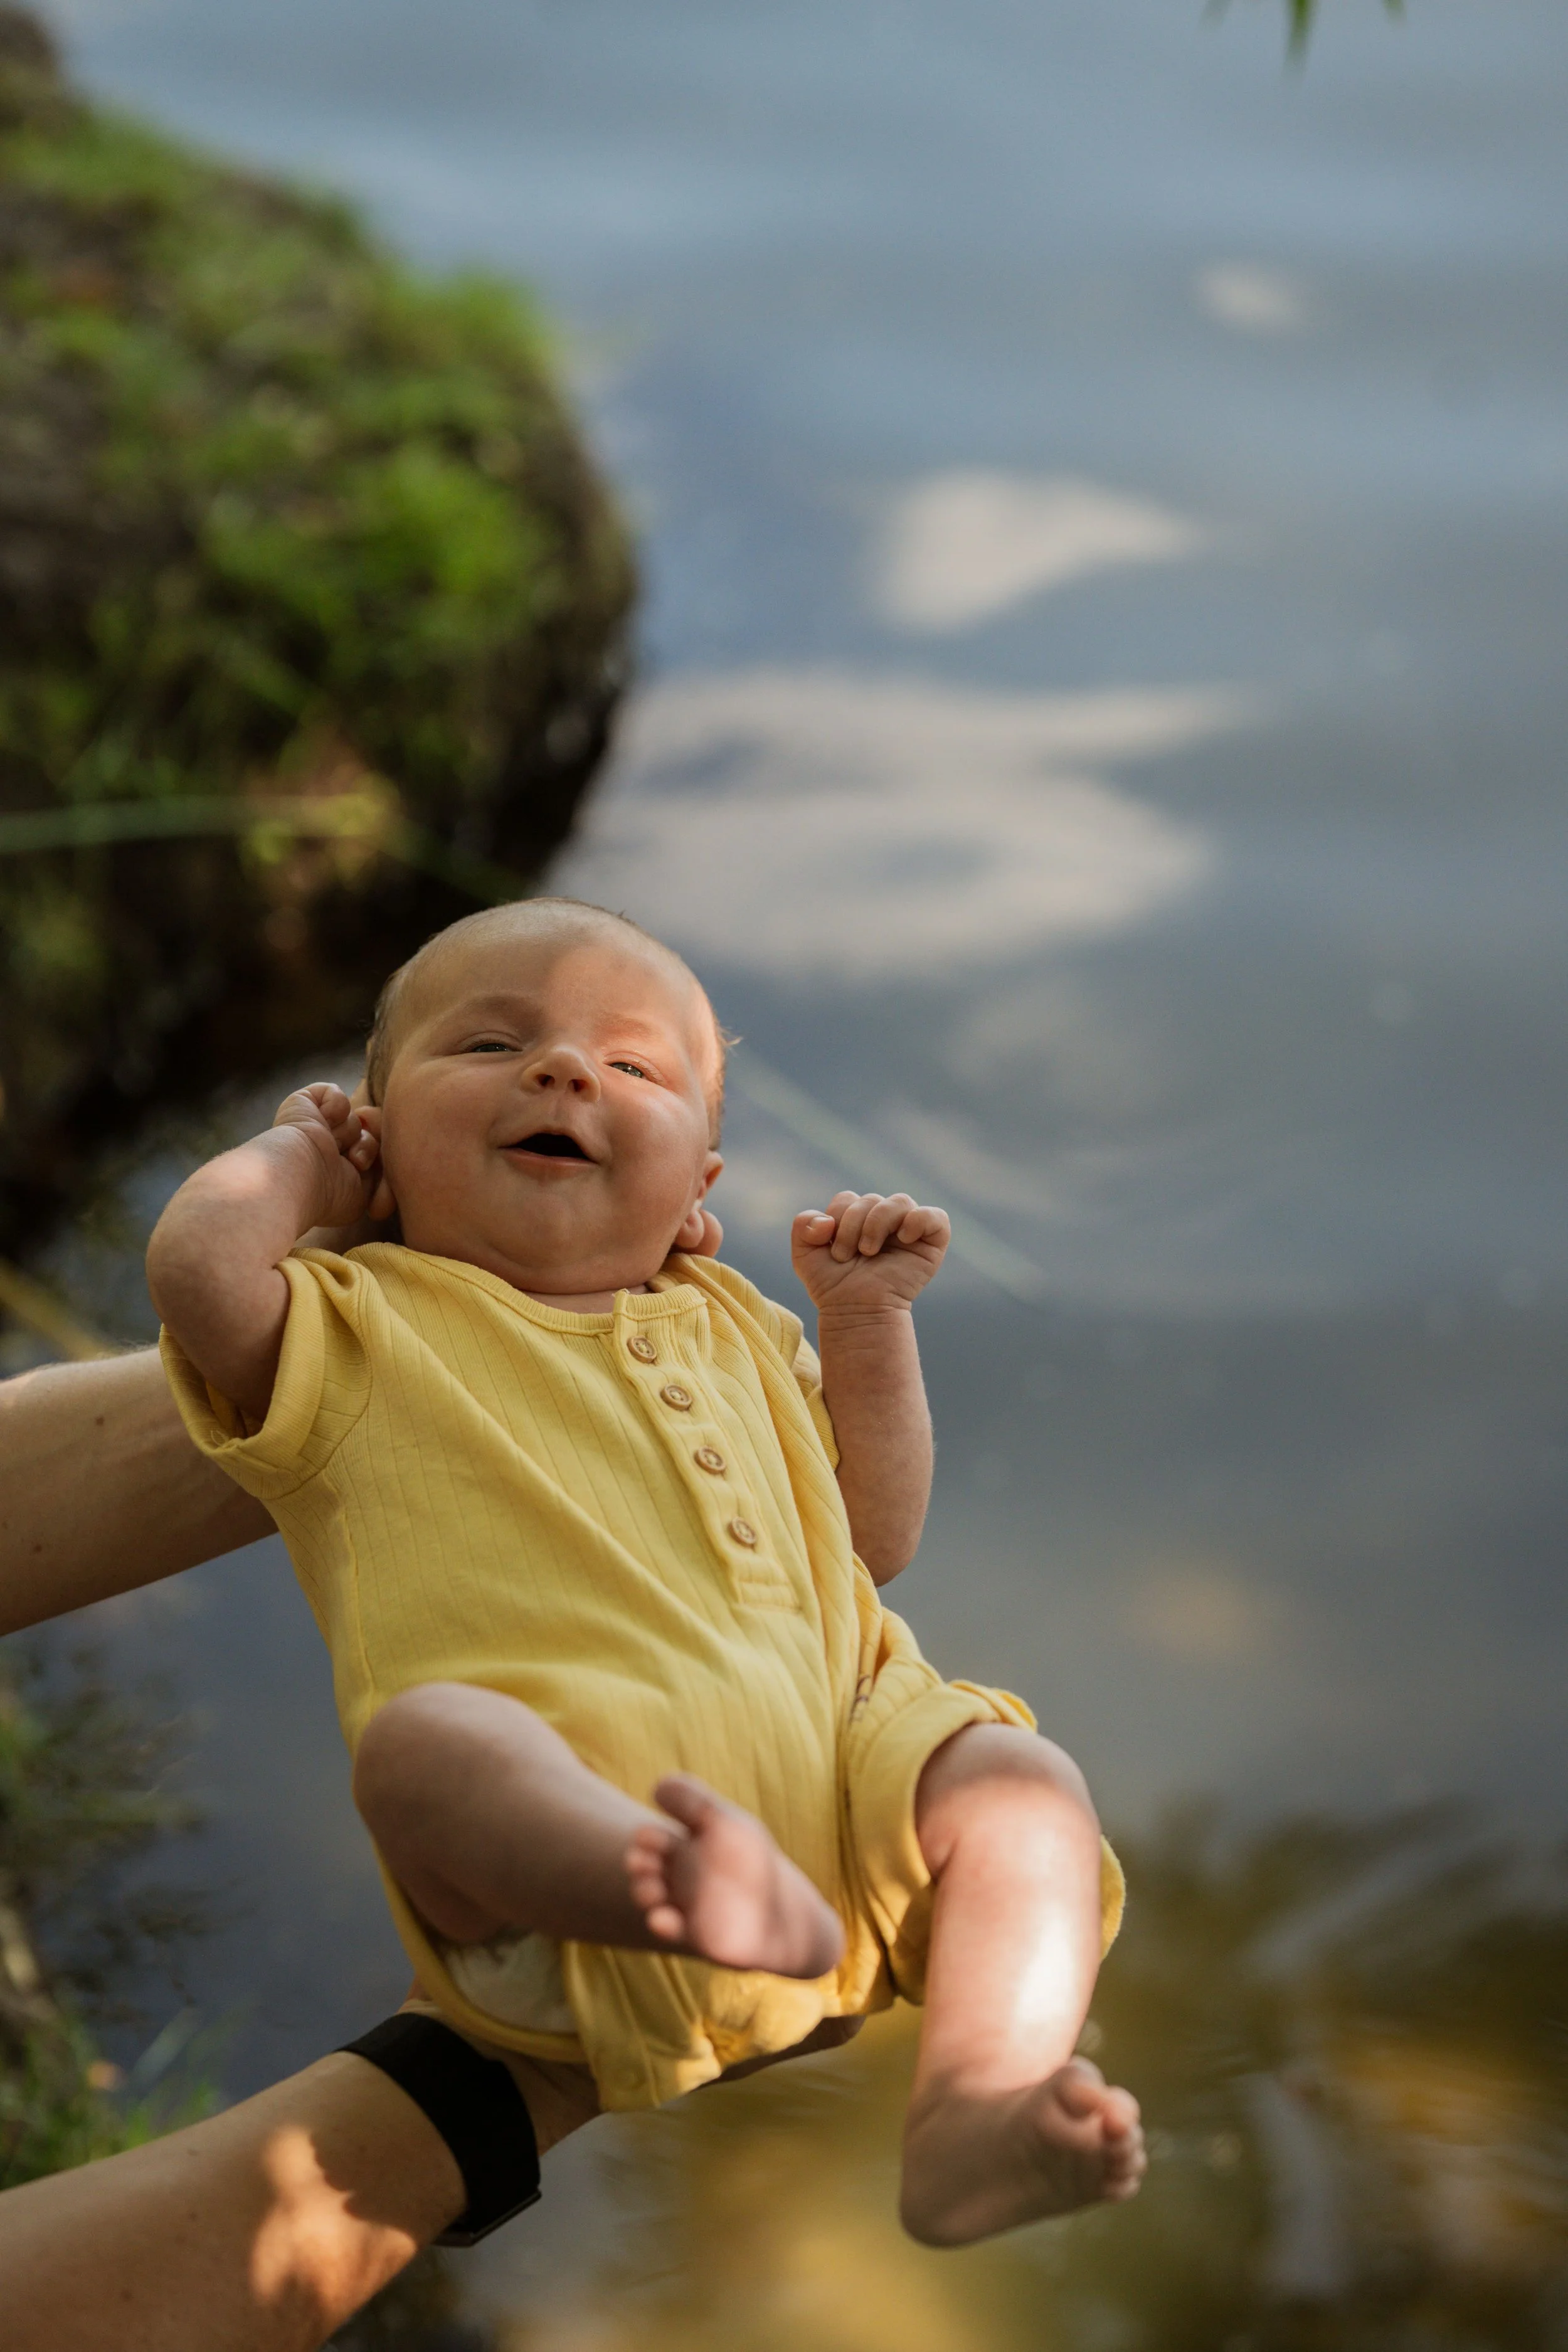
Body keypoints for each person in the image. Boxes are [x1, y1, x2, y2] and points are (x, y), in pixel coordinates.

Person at [147, 894, 1144, 2246]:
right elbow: (202, 1267)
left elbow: (874, 1540)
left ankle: (974, 2101)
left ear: (698, 1191)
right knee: (424, 1750)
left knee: (1024, 1783)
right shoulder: (354, 1325)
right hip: (560, 1869)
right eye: (490, 1045)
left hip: (854, 1802)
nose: (563, 1073)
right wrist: (295, 1169)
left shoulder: (735, 1327)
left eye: (632, 1067)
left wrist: (862, 1328)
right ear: (375, 1141)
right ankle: (656, 1883)